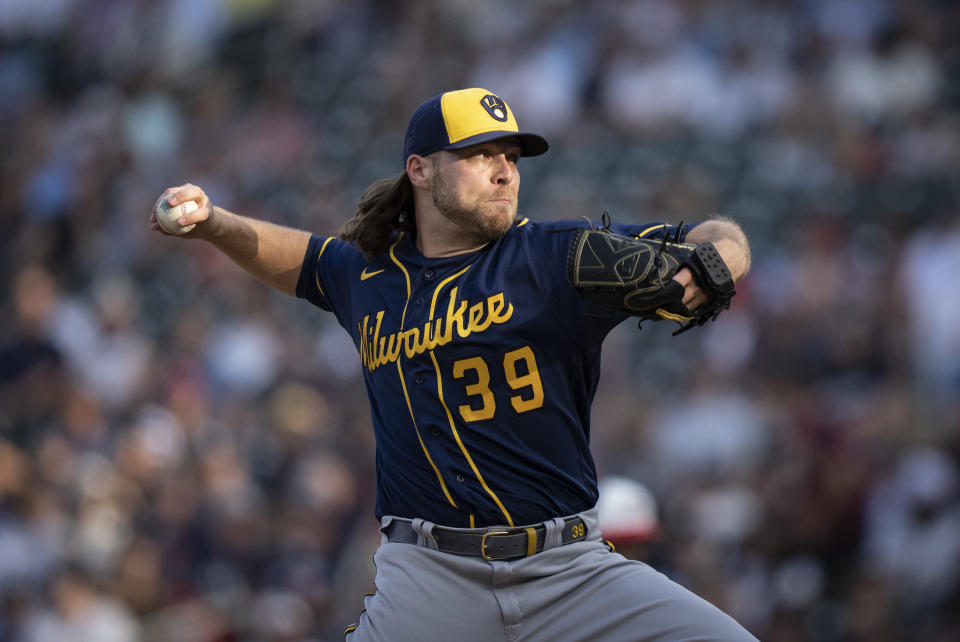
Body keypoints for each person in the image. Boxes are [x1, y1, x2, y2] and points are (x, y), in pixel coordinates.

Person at [151, 87, 755, 641]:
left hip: (570, 569)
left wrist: (715, 263)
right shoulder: (368, 276)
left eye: (512, 157)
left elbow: (717, 234)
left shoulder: (555, 256)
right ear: (420, 169)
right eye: (479, 154)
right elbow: (304, 260)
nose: (504, 171)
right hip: (428, 579)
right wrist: (215, 224)